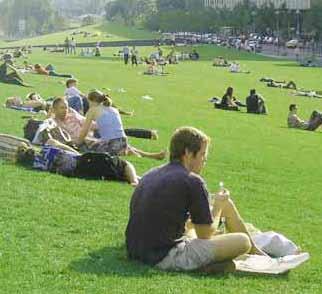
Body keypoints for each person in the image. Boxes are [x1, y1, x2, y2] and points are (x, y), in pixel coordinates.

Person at [126, 127, 264, 273]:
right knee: (242, 241)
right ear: (187, 153)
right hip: (164, 256)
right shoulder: (192, 180)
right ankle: (243, 256)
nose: (205, 159)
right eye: (202, 154)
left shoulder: (152, 173)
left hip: (136, 250)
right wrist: (218, 206)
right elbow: (205, 234)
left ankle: (255, 252)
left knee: (224, 207)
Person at [77, 90, 166, 159]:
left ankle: (129, 153)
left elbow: (84, 131)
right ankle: (151, 155)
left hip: (111, 144)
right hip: (123, 140)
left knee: (87, 146)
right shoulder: (112, 109)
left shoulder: (93, 110)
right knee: (123, 147)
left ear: (90, 100)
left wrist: (78, 143)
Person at [15, 142, 139, 186]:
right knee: (124, 164)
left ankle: (137, 180)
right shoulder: (48, 148)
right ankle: (136, 181)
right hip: (84, 161)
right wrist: (77, 153)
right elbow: (64, 148)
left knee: (119, 173)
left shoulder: (37, 166)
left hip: (79, 172)